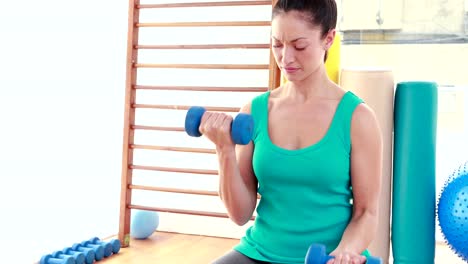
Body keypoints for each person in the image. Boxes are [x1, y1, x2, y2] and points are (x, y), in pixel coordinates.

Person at [200, 0, 383, 263]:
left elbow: (366, 212)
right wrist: (224, 150)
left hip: (330, 257)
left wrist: (345, 251)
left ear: (328, 38)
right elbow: (240, 215)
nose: (285, 58)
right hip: (260, 252)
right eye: (277, 44)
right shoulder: (254, 112)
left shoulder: (358, 118)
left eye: (299, 45)